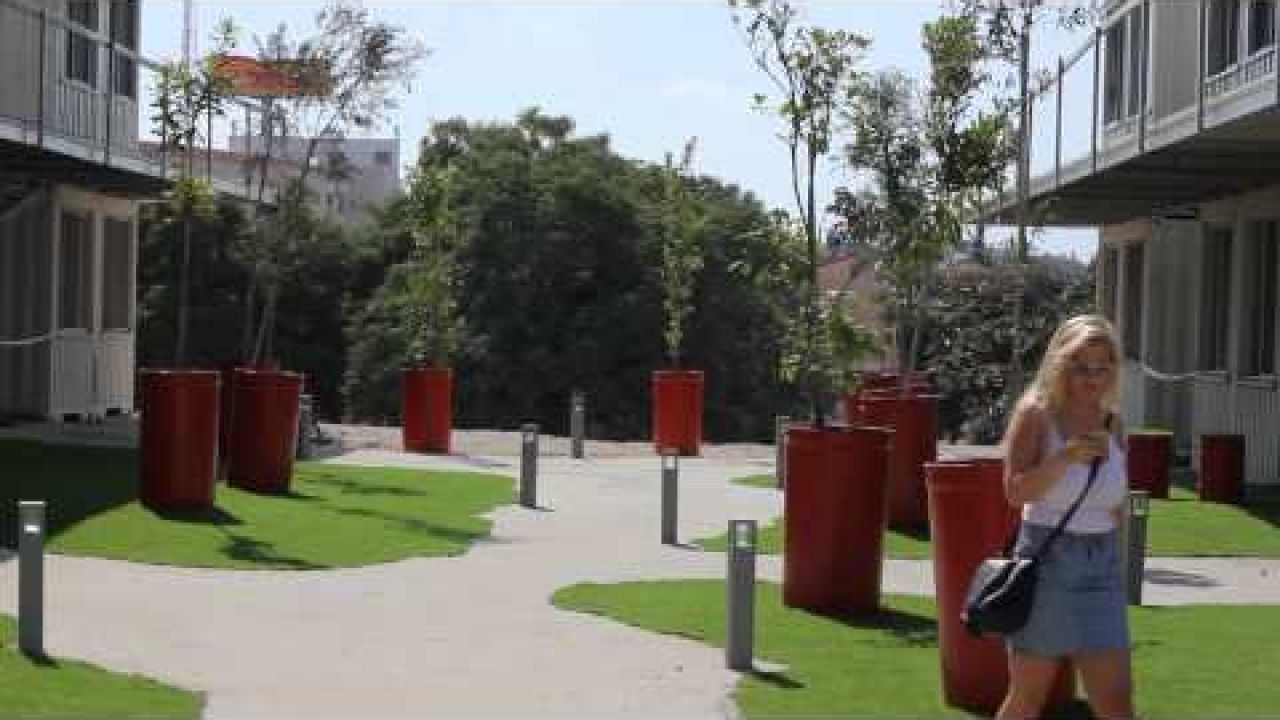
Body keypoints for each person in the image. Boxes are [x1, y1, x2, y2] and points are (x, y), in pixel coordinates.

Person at [998, 315, 1136, 720]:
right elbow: (1015, 492)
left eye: (1102, 366)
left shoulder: (1114, 423)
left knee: (1116, 702)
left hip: (1103, 564)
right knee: (1028, 699)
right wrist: (1065, 457)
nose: (1091, 377)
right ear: (1060, 363)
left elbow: (1115, 503)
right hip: (1049, 560)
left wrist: (1118, 555)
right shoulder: (1037, 415)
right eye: (1080, 365)